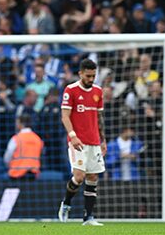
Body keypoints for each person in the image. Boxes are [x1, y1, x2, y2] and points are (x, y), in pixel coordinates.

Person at [57, 59, 106, 226]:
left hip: (94, 141)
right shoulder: (70, 90)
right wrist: (72, 135)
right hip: (77, 141)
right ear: (80, 73)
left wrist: (103, 140)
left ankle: (88, 218)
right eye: (88, 76)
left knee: (93, 177)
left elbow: (99, 118)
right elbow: (65, 116)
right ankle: (66, 204)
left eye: (94, 76)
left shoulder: (98, 91)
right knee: (79, 177)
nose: (91, 79)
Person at [4, 115, 44, 180]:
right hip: (33, 175)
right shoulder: (38, 139)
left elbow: (7, 158)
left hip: (16, 174)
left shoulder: (16, 138)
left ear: (21, 124)